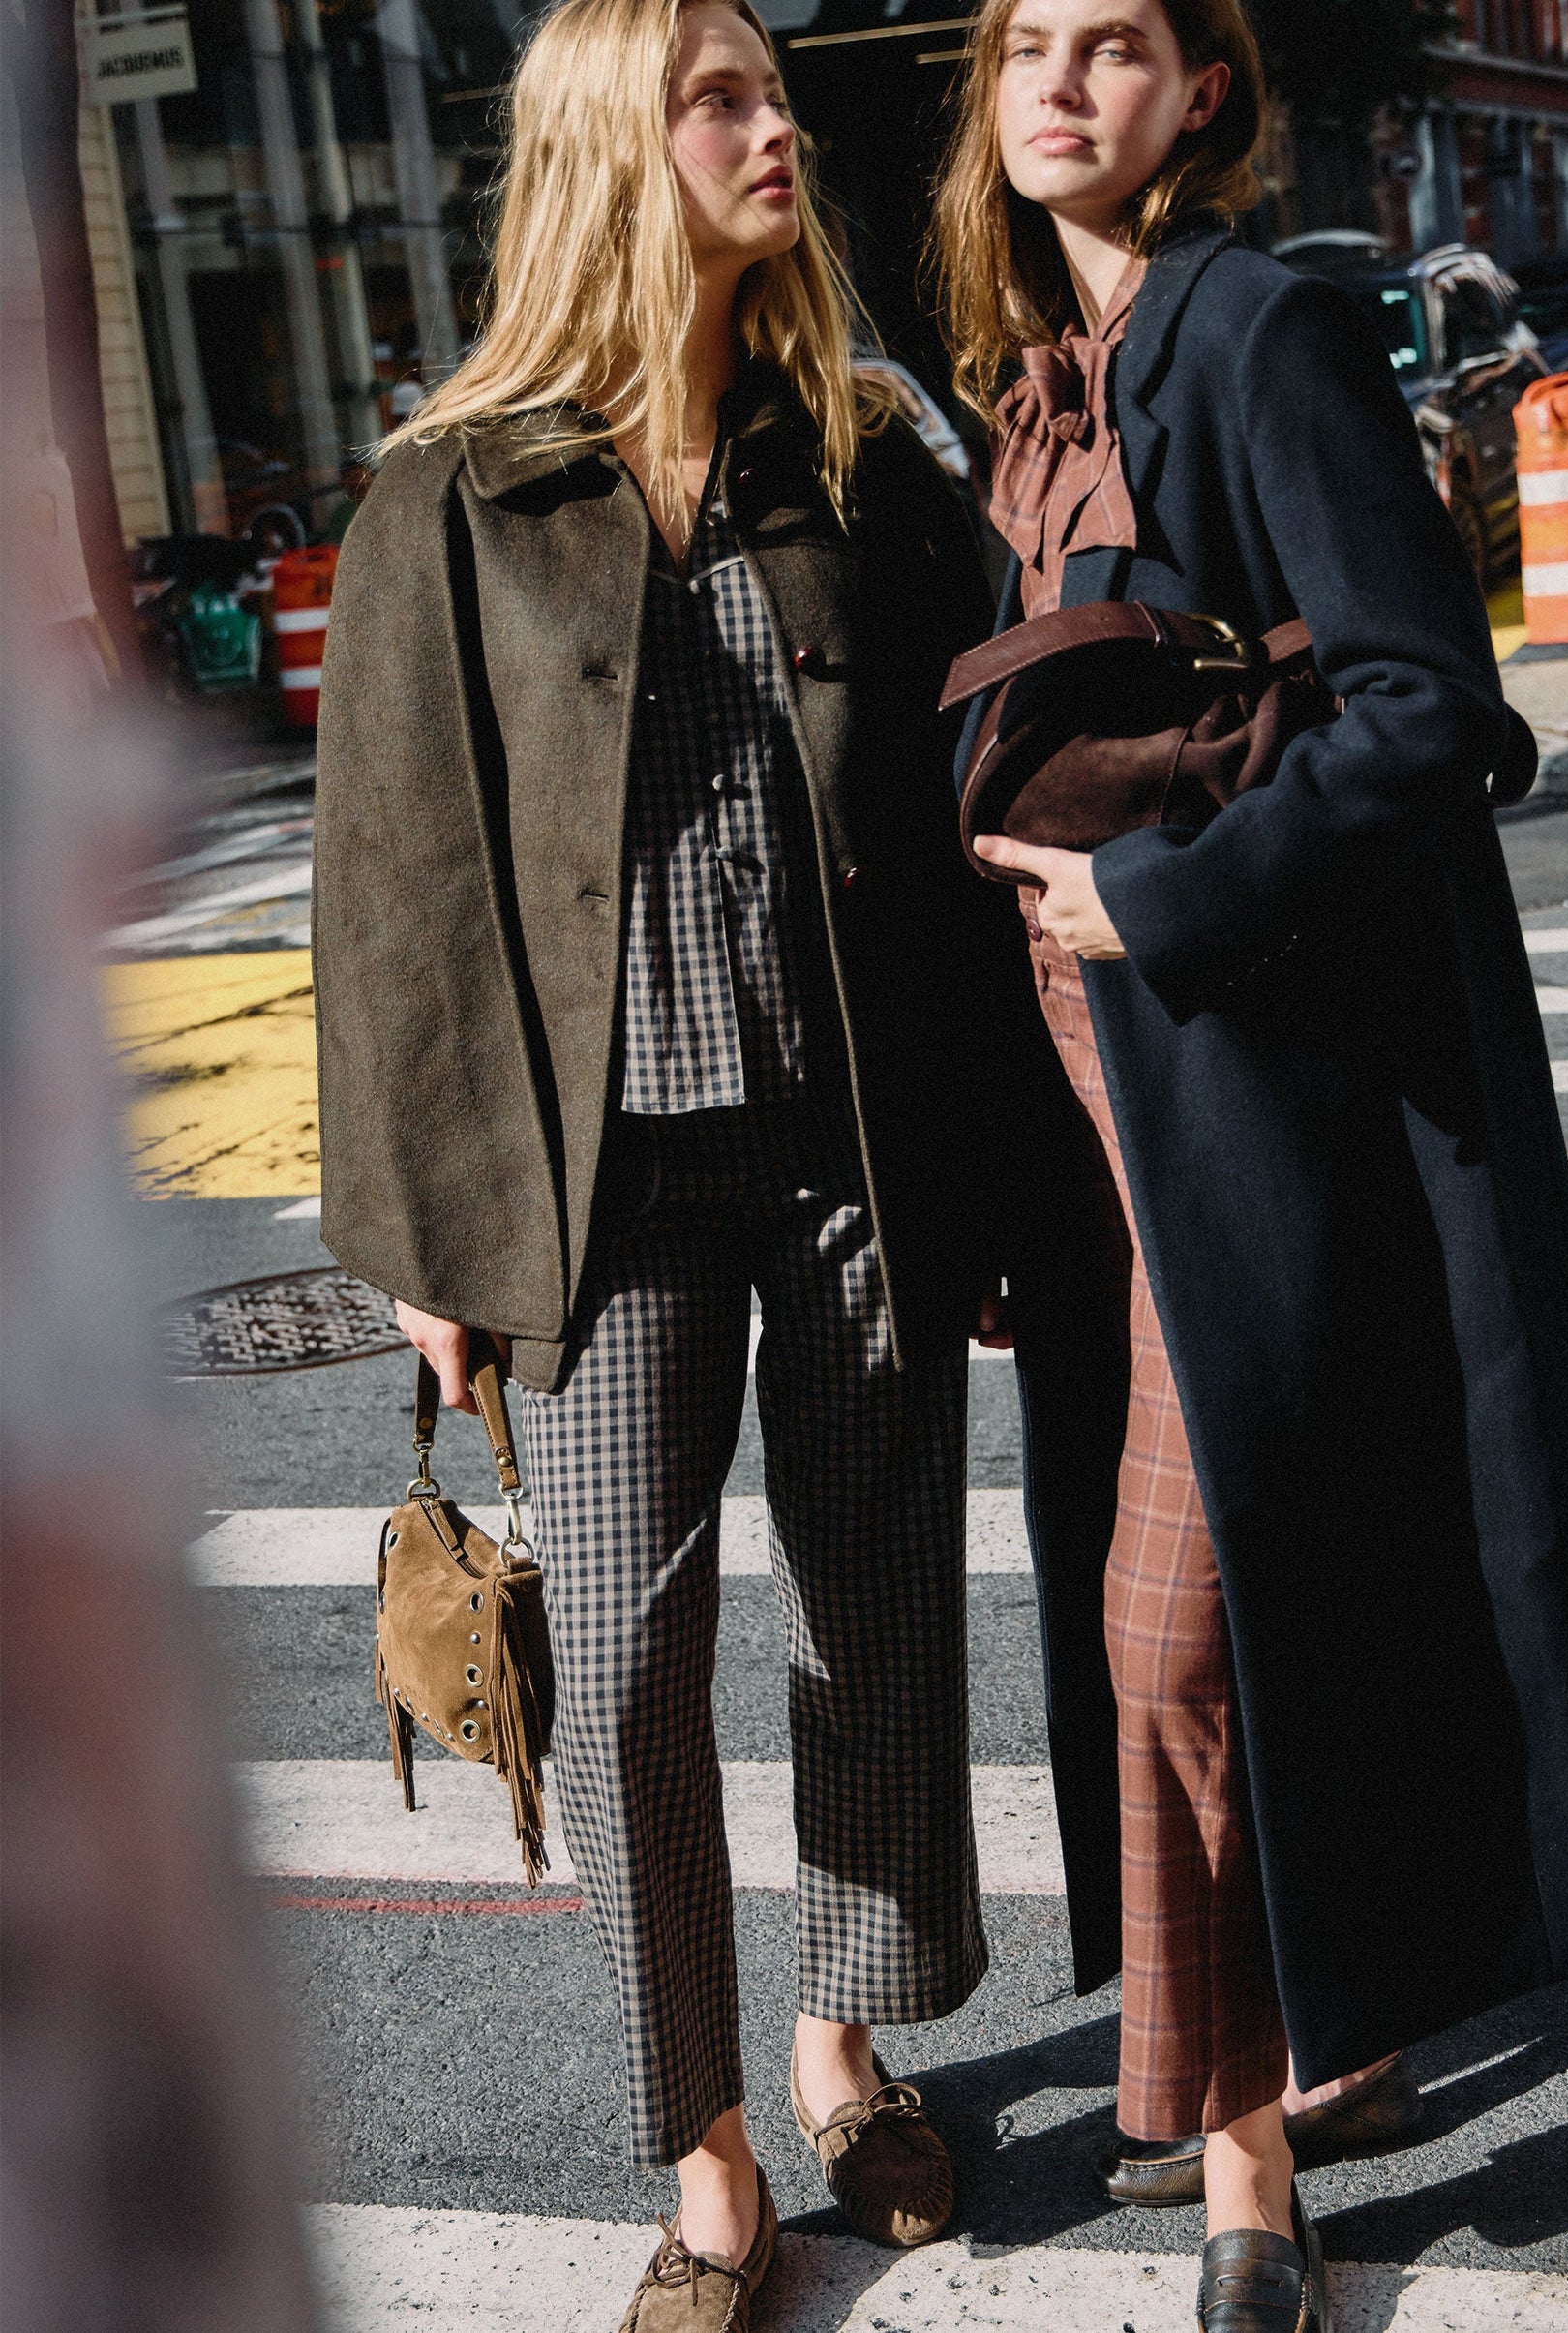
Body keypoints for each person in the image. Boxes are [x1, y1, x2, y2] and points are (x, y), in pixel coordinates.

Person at [930, 3, 1568, 2326]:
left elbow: (1429, 707)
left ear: (1201, 97)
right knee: (1275, 1582)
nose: (1059, 84)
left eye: (1113, 45)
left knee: (1169, 1621)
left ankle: (1237, 2156)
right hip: (1099, 1097)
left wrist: (1157, 898)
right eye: (1026, 46)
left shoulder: (1255, 324)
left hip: (1245, 1067)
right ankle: (1326, 2043)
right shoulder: (1034, 382)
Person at [312, 1, 1049, 2322]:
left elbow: (962, 827)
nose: (770, 127)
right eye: (716, 96)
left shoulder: (861, 457)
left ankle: (841, 2040)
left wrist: (999, 1165)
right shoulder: (453, 493)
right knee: (622, 1661)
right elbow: (392, 890)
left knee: (873, 1610)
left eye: (767, 89)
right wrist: (427, 1234)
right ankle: (703, 2145)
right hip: (595, 1192)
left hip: (852, 1148)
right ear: (612, 153)